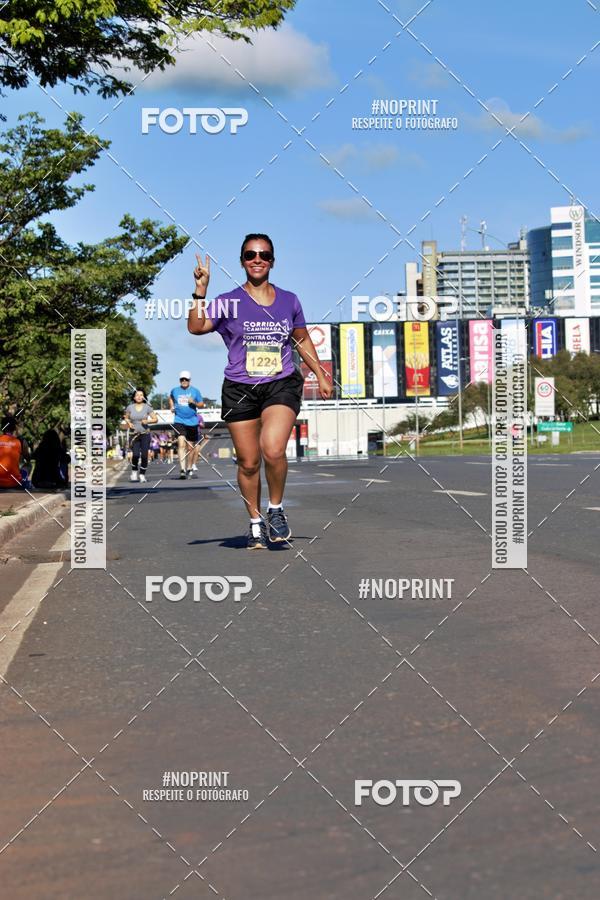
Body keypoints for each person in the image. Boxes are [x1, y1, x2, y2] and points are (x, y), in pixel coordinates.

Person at [187, 233, 333, 550]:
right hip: (240, 387)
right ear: (242, 261)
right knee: (249, 463)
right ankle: (255, 521)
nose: (257, 260)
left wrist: (321, 373)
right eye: (251, 254)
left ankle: (276, 510)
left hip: (280, 383)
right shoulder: (228, 301)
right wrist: (200, 292)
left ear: (272, 261)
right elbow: (196, 327)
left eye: (264, 255)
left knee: (273, 449)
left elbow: (302, 339)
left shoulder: (289, 300)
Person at [169, 371, 205, 479]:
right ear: (180, 380)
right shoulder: (175, 390)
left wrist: (193, 402)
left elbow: (201, 404)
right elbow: (170, 397)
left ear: (189, 380)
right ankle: (182, 469)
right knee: (181, 444)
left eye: (186, 379)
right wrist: (171, 406)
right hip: (179, 420)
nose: (184, 381)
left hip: (192, 422)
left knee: (190, 448)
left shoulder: (195, 391)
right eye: (182, 379)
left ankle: (189, 467)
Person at [123, 389, 157, 483]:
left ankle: (142, 474)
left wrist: (147, 421)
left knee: (145, 456)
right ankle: (134, 471)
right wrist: (129, 423)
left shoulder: (147, 407)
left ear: (144, 397)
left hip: (145, 434)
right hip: (134, 434)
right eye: (137, 395)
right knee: (136, 455)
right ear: (134, 397)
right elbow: (126, 417)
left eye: (141, 395)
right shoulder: (130, 407)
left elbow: (155, 419)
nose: (139, 397)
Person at [0, 415, 31, 489]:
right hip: (14, 483)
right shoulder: (20, 441)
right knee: (29, 465)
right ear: (14, 428)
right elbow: (28, 459)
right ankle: (23, 481)